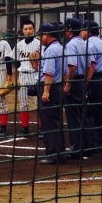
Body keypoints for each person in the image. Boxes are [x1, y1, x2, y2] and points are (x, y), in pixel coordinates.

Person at [35, 23, 66, 164]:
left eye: (40, 35)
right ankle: (60, 154)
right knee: (57, 122)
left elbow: (49, 73)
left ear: (46, 35)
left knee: (49, 123)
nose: (39, 38)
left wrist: (46, 91)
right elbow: (64, 72)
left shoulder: (50, 50)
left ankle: (53, 155)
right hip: (58, 88)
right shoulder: (60, 47)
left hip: (51, 89)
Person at [62, 18, 90, 159]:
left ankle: (76, 150)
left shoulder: (71, 45)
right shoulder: (85, 43)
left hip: (73, 82)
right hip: (81, 82)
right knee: (82, 115)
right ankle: (87, 148)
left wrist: (68, 84)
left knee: (74, 118)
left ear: (70, 29)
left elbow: (72, 66)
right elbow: (91, 65)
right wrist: (85, 82)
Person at [82, 21, 102, 154]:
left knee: (90, 111)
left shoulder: (89, 44)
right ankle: (101, 143)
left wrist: (86, 82)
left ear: (87, 31)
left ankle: (93, 144)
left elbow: (91, 66)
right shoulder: (101, 43)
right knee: (99, 111)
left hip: (94, 79)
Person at [14, 20, 40, 136]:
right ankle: (25, 128)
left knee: (38, 103)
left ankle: (42, 128)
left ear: (34, 29)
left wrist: (36, 64)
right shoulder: (19, 45)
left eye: (30, 28)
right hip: (23, 76)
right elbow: (15, 61)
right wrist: (16, 77)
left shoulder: (39, 44)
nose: (28, 31)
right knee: (23, 104)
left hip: (35, 75)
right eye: (26, 29)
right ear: (22, 31)